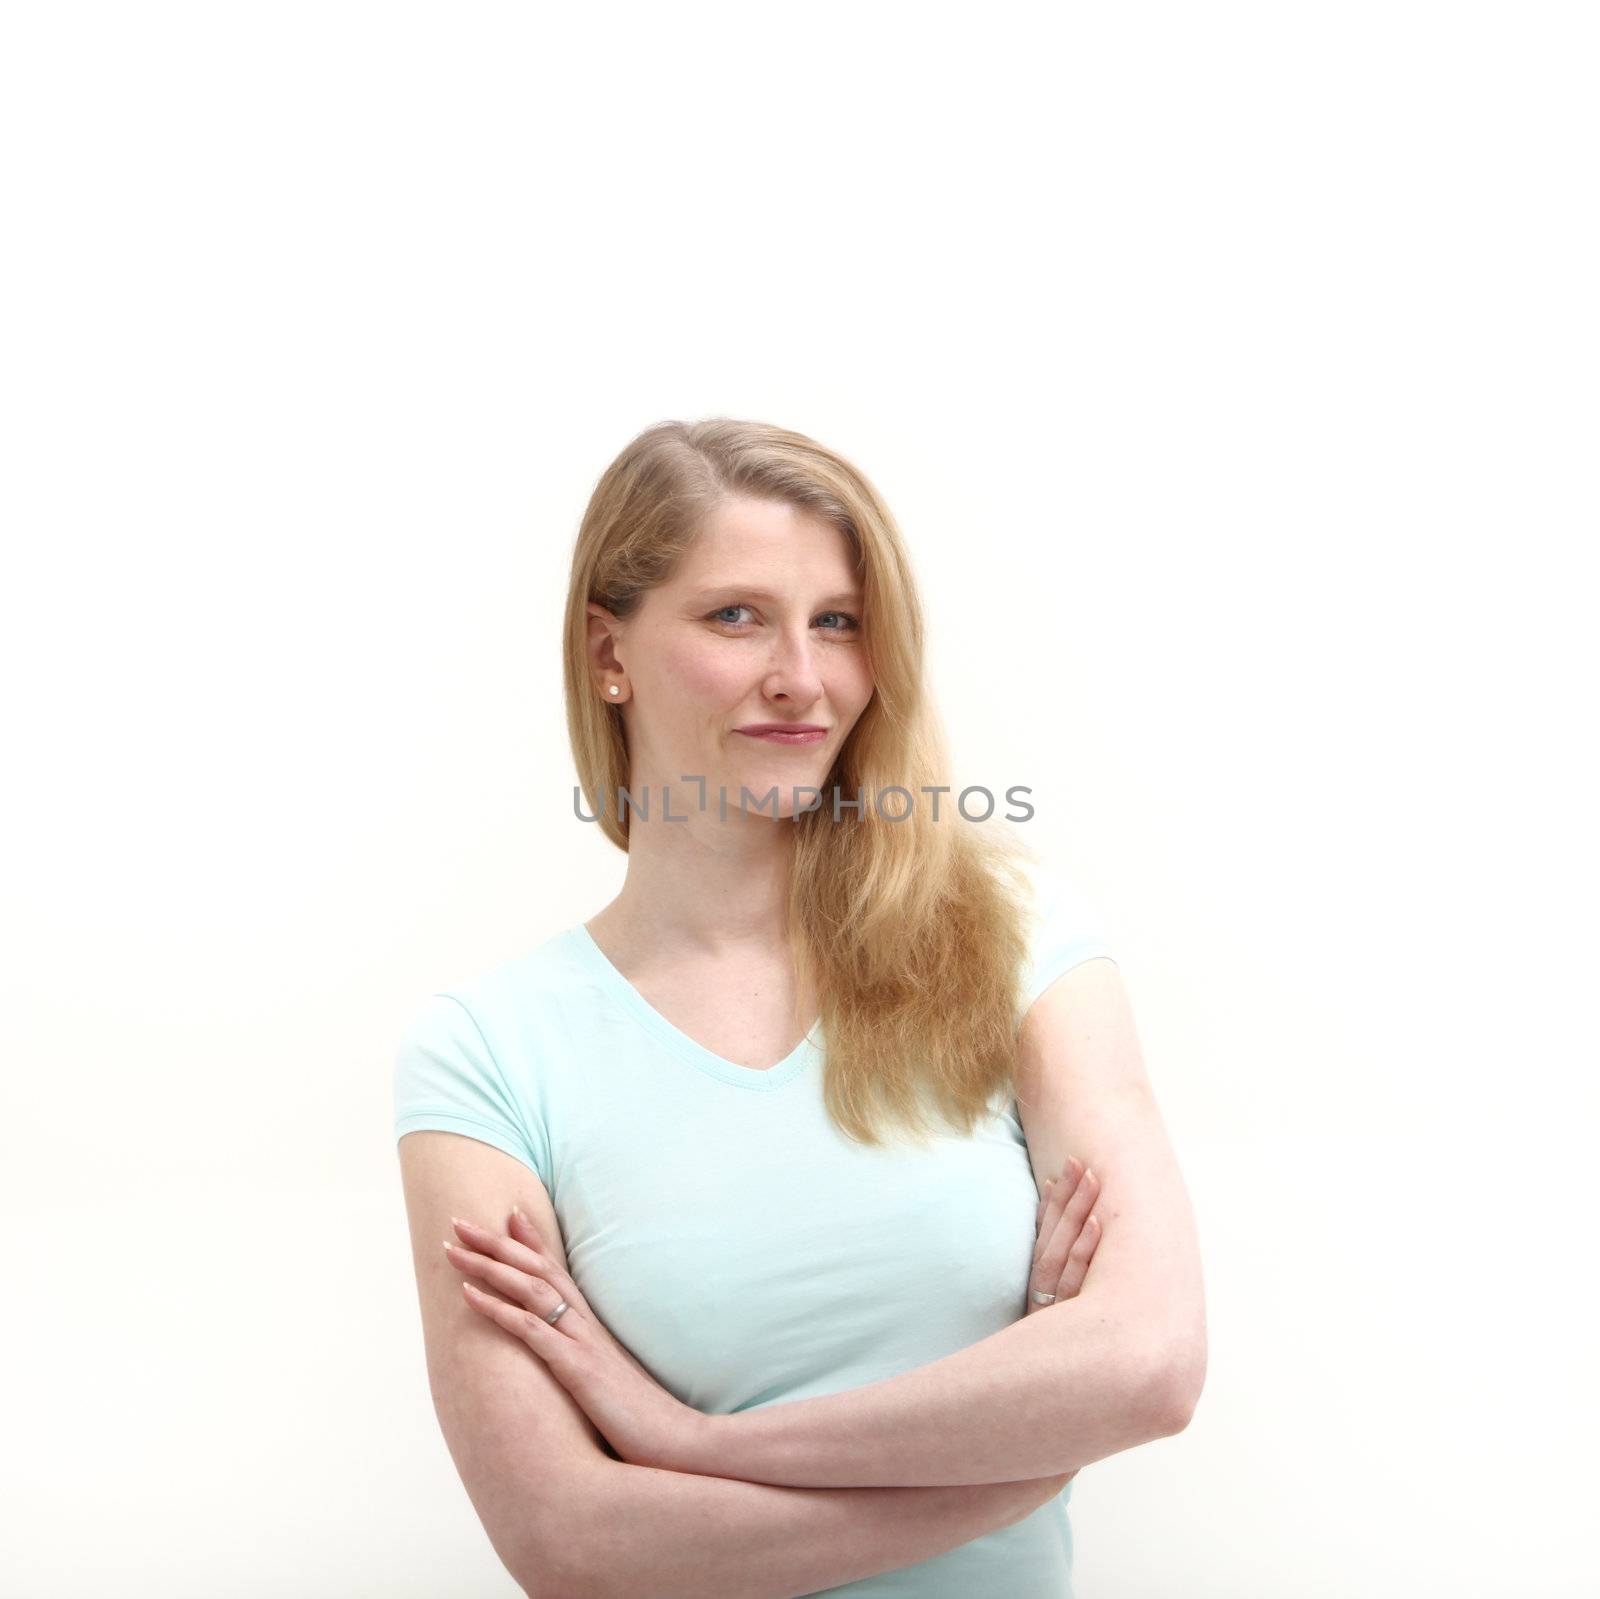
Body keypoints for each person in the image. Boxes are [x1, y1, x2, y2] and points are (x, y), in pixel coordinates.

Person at [393, 418, 1205, 1597]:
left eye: (836, 622)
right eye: (736, 616)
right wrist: (1007, 1454)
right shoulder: (485, 1054)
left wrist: (698, 1446)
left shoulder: (1015, 941)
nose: (802, 676)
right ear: (608, 649)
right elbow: (574, 1547)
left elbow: (1148, 1364)